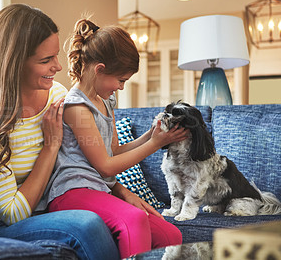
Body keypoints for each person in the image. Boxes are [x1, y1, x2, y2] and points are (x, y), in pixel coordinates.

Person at [0, 4, 119, 260]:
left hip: (55, 209)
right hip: (3, 227)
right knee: (87, 225)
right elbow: (13, 214)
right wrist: (51, 147)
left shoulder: (58, 96)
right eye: (46, 60)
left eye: (56, 55)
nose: (58, 67)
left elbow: (86, 161)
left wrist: (122, 193)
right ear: (14, 64)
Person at [38, 19, 188, 258]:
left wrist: (152, 135)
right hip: (71, 192)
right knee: (133, 219)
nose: (121, 88)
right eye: (121, 80)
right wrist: (154, 145)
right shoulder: (77, 107)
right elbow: (105, 165)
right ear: (99, 69)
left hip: (98, 190)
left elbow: (114, 151)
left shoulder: (106, 100)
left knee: (171, 236)